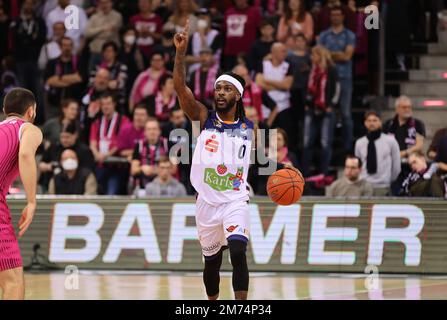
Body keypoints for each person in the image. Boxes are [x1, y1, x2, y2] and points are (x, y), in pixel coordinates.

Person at [173, 21, 298, 300]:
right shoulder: (203, 118)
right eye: (218, 89)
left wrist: (281, 167)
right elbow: (181, 88)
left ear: (238, 95)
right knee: (212, 262)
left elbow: (255, 158)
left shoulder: (250, 127)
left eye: (226, 90)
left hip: (235, 199)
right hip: (205, 200)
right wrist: (180, 53)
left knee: (239, 252)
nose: (219, 93)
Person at [0, 88, 43, 299]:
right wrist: (32, 201)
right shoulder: (28, 129)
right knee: (13, 282)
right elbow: (25, 154)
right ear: (31, 112)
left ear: (4, 111)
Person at [318, 6, 356, 153]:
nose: (335, 17)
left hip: (344, 77)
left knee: (346, 113)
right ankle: (327, 148)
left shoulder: (349, 35)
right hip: (326, 79)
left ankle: (347, 149)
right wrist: (336, 54)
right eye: (332, 15)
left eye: (338, 15)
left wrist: (328, 55)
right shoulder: (324, 35)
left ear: (343, 17)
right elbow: (319, 55)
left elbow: (347, 56)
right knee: (328, 112)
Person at [301, 45, 339, 178]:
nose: (312, 57)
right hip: (311, 109)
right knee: (307, 142)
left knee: (325, 142)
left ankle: (323, 173)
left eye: (314, 55)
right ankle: (304, 173)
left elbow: (336, 89)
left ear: (320, 56)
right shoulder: (309, 70)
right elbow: (304, 88)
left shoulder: (331, 70)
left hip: (326, 109)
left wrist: (331, 105)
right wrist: (306, 104)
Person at [383, 95, 426, 195]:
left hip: (410, 166)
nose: (407, 109)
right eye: (404, 107)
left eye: (409, 107)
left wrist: (402, 153)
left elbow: (419, 145)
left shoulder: (417, 124)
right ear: (397, 109)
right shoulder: (388, 124)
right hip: (392, 166)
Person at [89, 92, 130, 195]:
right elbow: (93, 142)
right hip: (100, 165)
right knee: (98, 193)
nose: (106, 107)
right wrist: (96, 154)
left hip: (116, 167)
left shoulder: (124, 121)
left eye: (108, 103)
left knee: (111, 194)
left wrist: (107, 155)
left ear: (114, 104)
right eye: (103, 104)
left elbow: (121, 143)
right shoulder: (96, 123)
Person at [39, 121, 95, 192]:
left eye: (67, 137)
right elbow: (41, 164)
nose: (64, 140)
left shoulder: (84, 150)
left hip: (78, 187)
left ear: (75, 135)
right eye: (62, 137)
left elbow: (89, 172)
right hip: (54, 183)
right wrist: (49, 166)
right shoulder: (54, 147)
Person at [355, 111, 401, 196]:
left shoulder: (390, 141)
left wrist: (388, 180)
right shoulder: (359, 143)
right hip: (364, 186)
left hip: (383, 186)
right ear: (365, 123)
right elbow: (358, 165)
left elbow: (396, 167)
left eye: (375, 120)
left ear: (380, 122)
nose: (372, 123)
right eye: (369, 121)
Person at [44, 36, 82, 119]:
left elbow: (79, 78)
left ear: (72, 47)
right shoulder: (52, 63)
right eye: (64, 45)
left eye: (69, 45)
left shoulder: (78, 62)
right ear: (60, 47)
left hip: (73, 103)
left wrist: (58, 78)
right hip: (55, 103)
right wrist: (71, 80)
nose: (67, 48)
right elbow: (49, 81)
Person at [131, 118, 169, 192]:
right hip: (143, 187)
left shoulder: (167, 144)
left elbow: (174, 168)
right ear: (145, 132)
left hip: (163, 186)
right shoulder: (139, 145)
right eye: (149, 129)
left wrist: (157, 170)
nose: (152, 132)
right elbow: (133, 169)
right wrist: (142, 168)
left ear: (159, 131)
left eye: (154, 129)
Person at [222, 0, 261, 70]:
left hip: (247, 52)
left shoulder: (254, 12)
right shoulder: (228, 12)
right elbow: (224, 30)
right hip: (230, 52)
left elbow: (259, 30)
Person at [84, 0, 123, 69]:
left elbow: (108, 33)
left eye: (107, 2)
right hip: (96, 52)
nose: (104, 5)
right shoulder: (94, 17)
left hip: (112, 54)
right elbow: (87, 33)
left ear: (111, 3)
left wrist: (96, 33)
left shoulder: (117, 16)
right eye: (102, 3)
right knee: (92, 77)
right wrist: (102, 29)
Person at [185, 8, 222, 76]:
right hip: (194, 72)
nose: (202, 20)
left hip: (212, 73)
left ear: (210, 19)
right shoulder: (193, 36)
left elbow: (209, 57)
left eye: (204, 17)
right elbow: (186, 58)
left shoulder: (216, 35)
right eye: (200, 18)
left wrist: (202, 35)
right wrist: (202, 59)